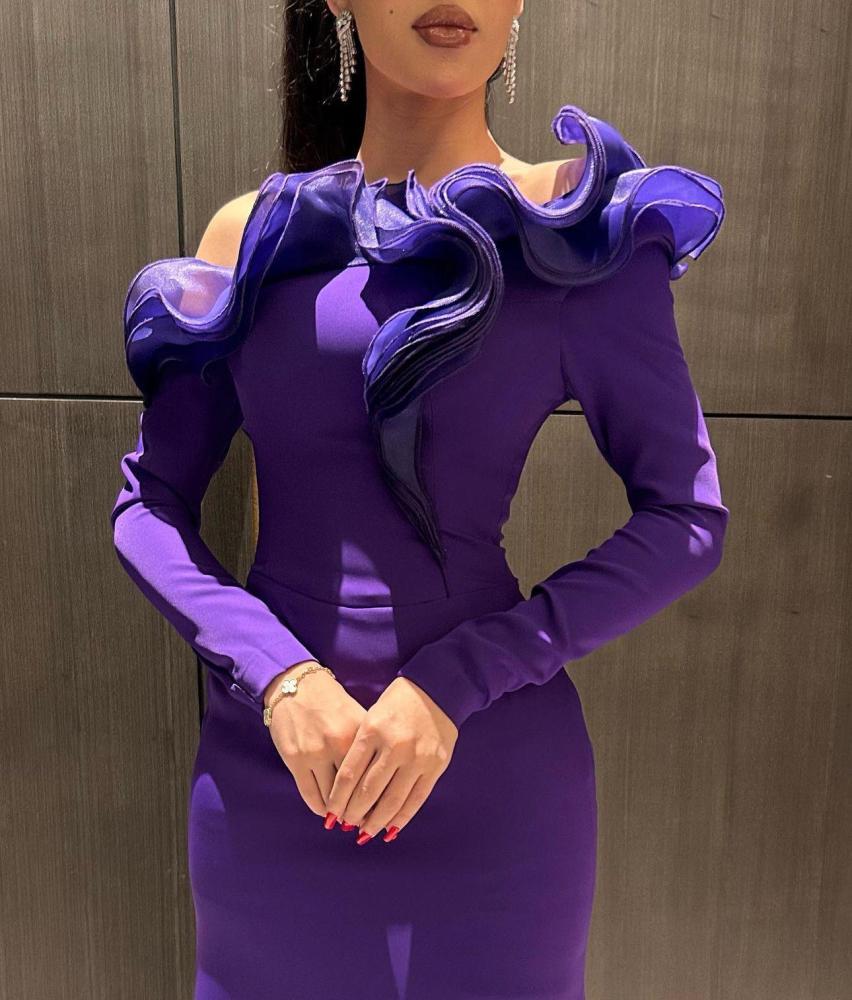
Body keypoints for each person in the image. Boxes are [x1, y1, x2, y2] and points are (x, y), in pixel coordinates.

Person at [110, 2, 729, 997]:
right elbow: (148, 505)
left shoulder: (577, 235)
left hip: (494, 795)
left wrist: (455, 681)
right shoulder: (256, 237)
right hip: (272, 780)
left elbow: (684, 517)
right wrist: (279, 675)